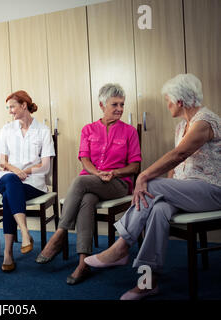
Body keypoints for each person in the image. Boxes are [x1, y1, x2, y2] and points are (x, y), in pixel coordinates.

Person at [84, 74, 221, 300]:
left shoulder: (205, 122)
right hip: (187, 191)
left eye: (168, 101)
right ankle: (148, 281)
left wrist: (144, 176)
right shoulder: (181, 127)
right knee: (157, 208)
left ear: (179, 101)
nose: (167, 105)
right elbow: (177, 168)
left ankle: (121, 246)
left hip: (212, 191)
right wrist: (161, 187)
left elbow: (179, 154)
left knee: (151, 184)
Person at [35, 84, 141, 285]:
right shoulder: (88, 129)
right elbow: (84, 159)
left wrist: (113, 172)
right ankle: (84, 263)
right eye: (114, 104)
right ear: (102, 105)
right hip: (92, 182)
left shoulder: (129, 132)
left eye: (122, 104)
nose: (119, 108)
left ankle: (60, 234)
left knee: (81, 181)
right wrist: (98, 173)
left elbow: (134, 166)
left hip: (117, 184)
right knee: (87, 199)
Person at [0, 90, 55, 272]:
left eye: (12, 106)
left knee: (9, 196)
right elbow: (1, 162)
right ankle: (24, 231)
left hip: (33, 184)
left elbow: (45, 166)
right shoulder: (6, 130)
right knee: (11, 181)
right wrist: (16, 171)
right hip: (8, 178)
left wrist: (27, 171)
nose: (10, 111)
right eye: (8, 108)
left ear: (24, 106)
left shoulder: (43, 131)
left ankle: (8, 253)